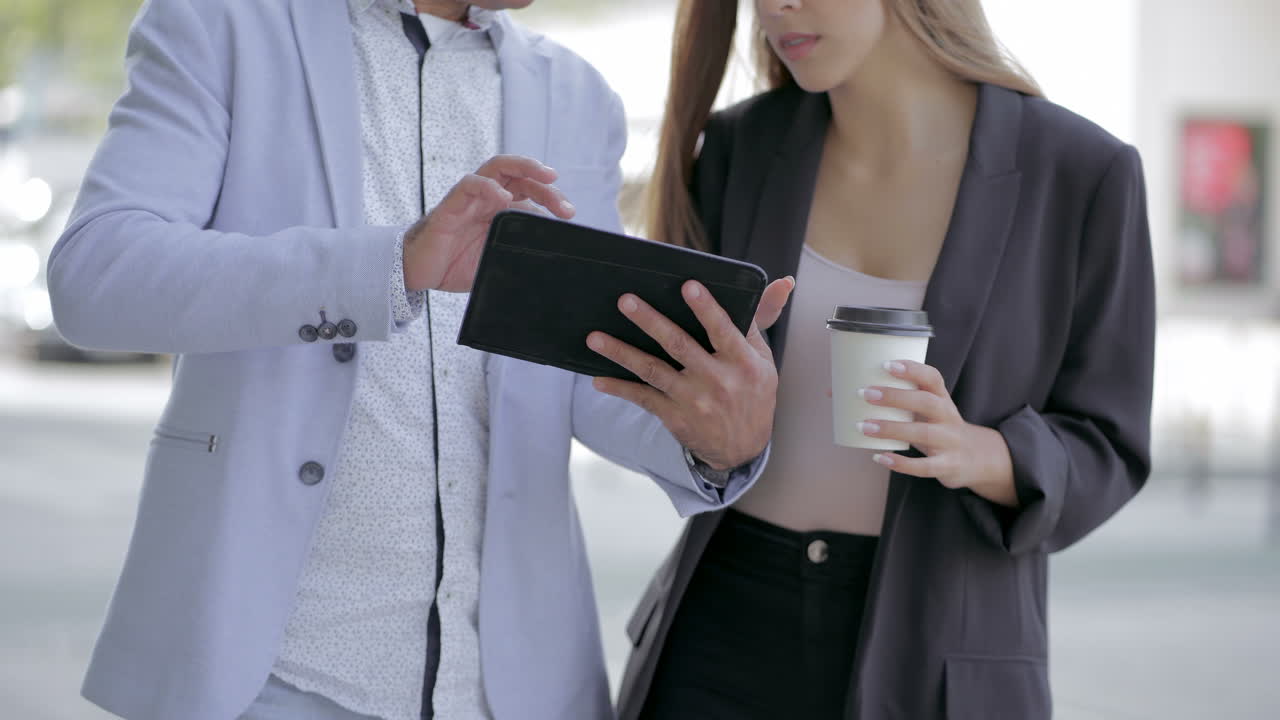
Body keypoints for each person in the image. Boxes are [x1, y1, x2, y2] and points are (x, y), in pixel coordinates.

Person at [47, 1, 794, 718]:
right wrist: (391, 266)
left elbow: (579, 375)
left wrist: (709, 437)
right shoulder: (222, 23)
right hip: (271, 674)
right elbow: (95, 277)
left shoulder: (575, 94)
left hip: (506, 686)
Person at [618, 0, 1155, 718]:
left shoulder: (1083, 173)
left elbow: (1111, 441)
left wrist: (984, 453)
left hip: (938, 648)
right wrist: (712, 443)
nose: (775, 8)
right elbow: (689, 408)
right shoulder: (740, 146)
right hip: (723, 627)